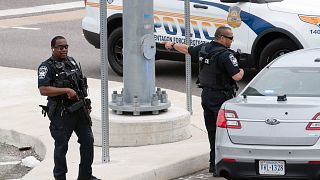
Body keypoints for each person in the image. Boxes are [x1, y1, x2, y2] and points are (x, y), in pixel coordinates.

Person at [163, 26, 244, 177]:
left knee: (212, 132)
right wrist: (242, 70)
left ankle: (213, 165)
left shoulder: (204, 48)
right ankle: (220, 165)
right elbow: (237, 77)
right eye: (230, 38)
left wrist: (172, 45)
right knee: (224, 133)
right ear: (221, 38)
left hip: (206, 96)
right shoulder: (226, 55)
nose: (232, 41)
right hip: (222, 98)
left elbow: (187, 49)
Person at [37, 36, 100, 180]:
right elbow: (43, 89)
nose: (64, 49)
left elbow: (80, 85)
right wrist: (65, 90)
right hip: (62, 113)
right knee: (61, 147)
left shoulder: (71, 62)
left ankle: (85, 176)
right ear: (53, 48)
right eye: (60, 47)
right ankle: (60, 177)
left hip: (79, 110)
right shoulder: (46, 67)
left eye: (66, 46)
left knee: (88, 141)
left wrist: (87, 105)